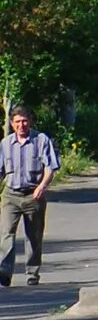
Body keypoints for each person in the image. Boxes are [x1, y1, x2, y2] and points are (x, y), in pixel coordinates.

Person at [1, 108, 57, 288]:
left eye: (24, 121)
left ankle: (32, 272)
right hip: (11, 194)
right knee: (6, 234)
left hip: (33, 194)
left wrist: (42, 186)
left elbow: (50, 167)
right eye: (17, 122)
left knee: (33, 236)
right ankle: (4, 272)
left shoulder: (41, 140)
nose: (21, 125)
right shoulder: (5, 144)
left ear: (30, 121)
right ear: (12, 124)